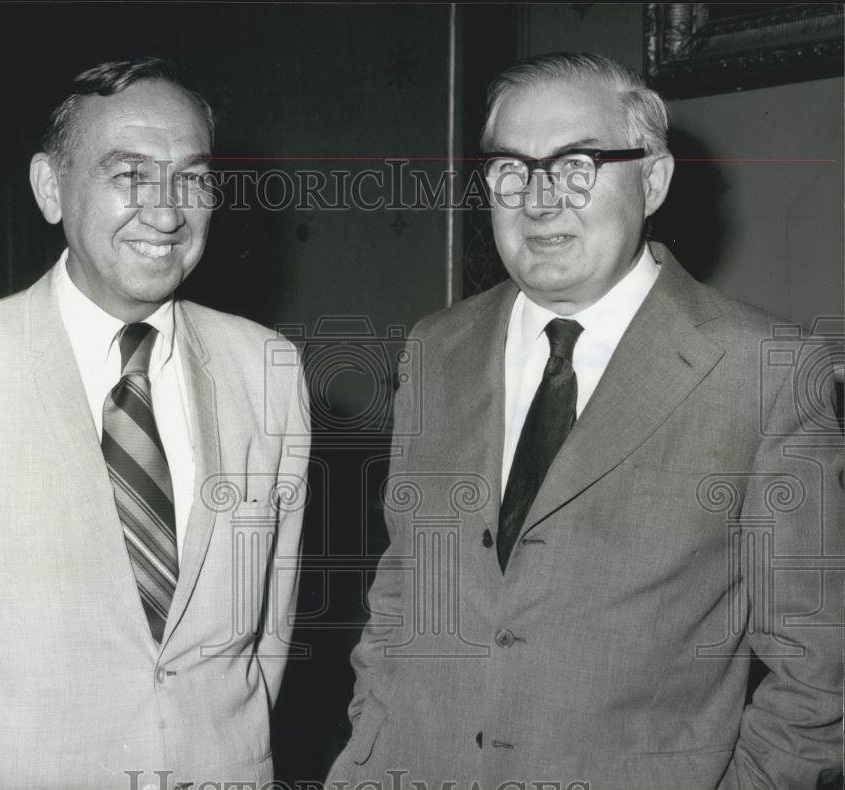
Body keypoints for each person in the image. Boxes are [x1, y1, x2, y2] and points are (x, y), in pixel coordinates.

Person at [327, 53, 842, 790]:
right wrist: (364, 761)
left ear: (653, 180)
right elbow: (403, 591)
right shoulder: (436, 348)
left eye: (577, 166)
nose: (539, 201)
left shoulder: (764, 369)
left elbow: (817, 670)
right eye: (511, 169)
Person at [0, 57, 310, 789]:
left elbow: (268, 630)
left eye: (192, 179)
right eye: (129, 174)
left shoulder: (268, 369)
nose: (167, 213)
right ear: (50, 189)